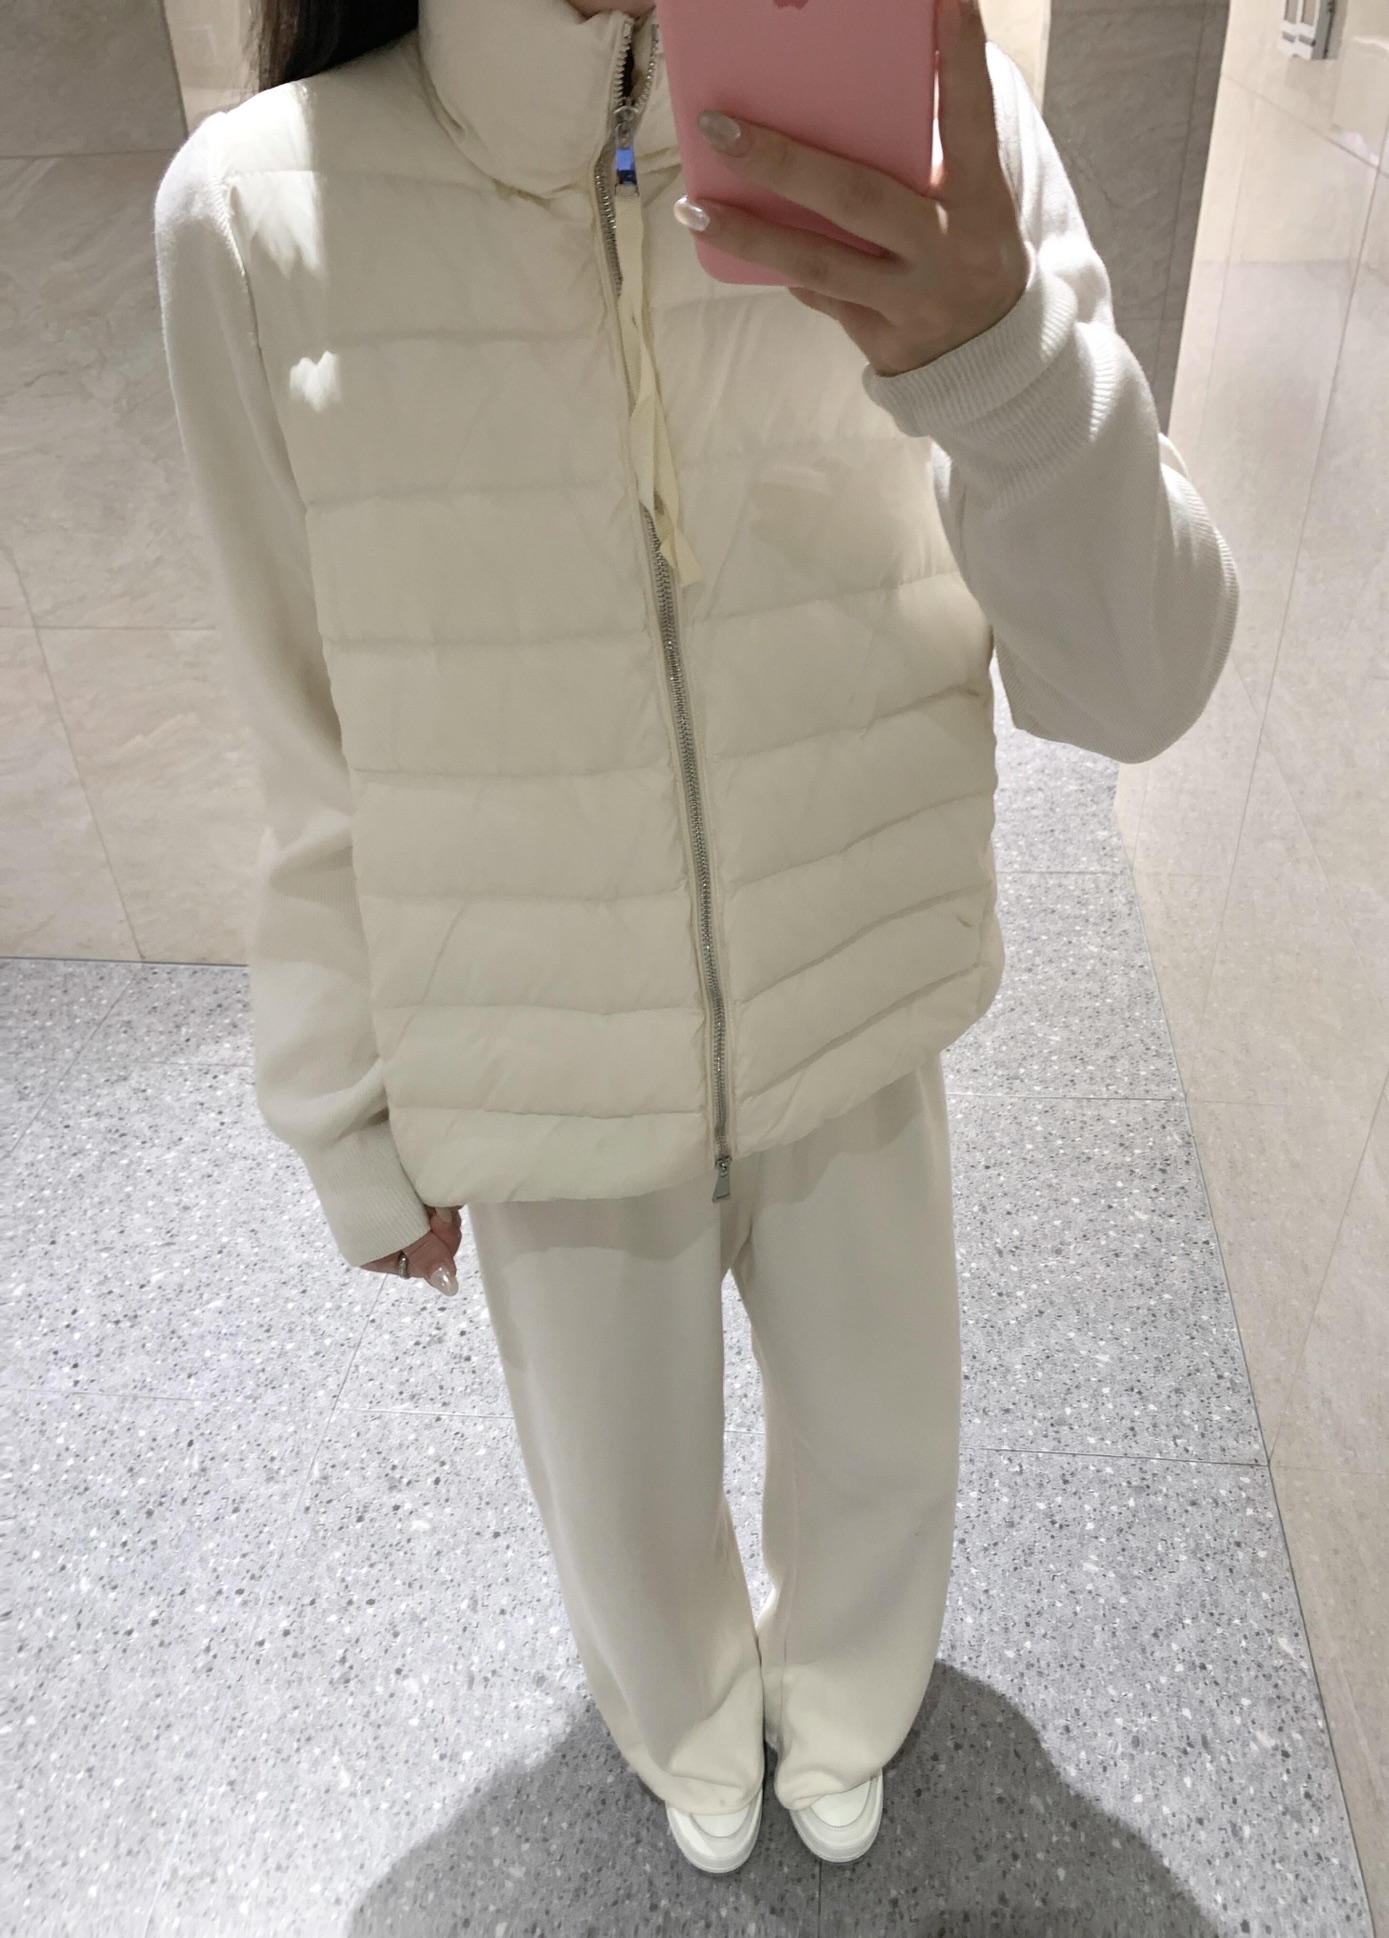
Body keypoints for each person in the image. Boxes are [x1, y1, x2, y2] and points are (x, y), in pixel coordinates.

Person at [155, 0, 1236, 1877]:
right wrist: (341, 1096)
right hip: (529, 1023)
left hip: (854, 958)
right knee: (620, 1479)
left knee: (885, 1429)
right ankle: (681, 1722)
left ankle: (855, 1690)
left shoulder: (940, 135)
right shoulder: (252, 216)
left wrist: (995, 360)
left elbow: (1143, 686)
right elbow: (303, 723)